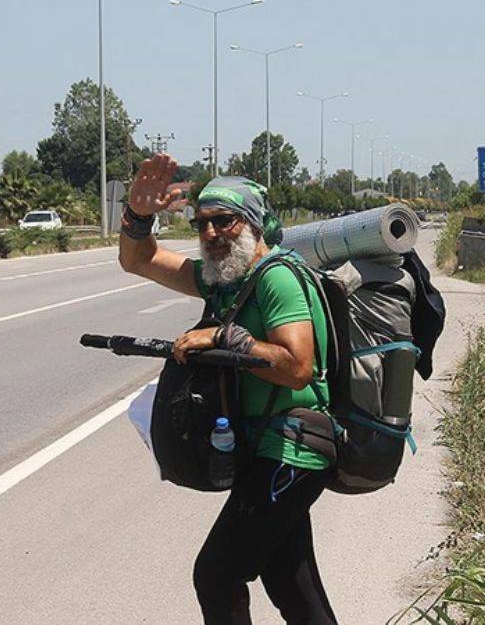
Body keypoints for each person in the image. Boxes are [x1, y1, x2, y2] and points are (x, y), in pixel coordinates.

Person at [118, 153, 338, 625]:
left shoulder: (276, 278)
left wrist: (223, 337)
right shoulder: (225, 282)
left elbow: (298, 366)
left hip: (292, 449)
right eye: (202, 225)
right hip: (266, 450)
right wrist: (138, 216)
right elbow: (140, 258)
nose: (212, 234)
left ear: (254, 226)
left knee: (216, 575)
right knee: (293, 587)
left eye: (225, 222)